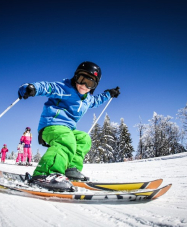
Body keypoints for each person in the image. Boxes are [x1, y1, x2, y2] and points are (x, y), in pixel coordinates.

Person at [18, 61, 120, 191]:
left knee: (84, 138)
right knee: (67, 139)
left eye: (89, 83)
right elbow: (48, 87)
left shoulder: (87, 99)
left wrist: (109, 94)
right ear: (75, 77)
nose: (83, 85)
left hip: (67, 130)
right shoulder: (65, 88)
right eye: (81, 79)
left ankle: (70, 170)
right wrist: (31, 88)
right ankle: (45, 173)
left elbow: (96, 101)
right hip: (51, 126)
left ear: (94, 86)